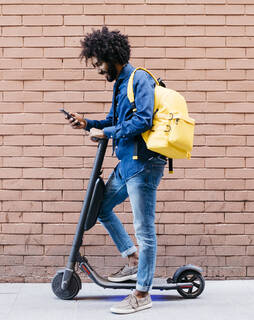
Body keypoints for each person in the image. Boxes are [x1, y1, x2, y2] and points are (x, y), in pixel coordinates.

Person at [66, 26, 166, 314]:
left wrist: (106, 132)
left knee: (145, 230)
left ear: (112, 56)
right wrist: (87, 123)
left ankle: (142, 293)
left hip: (144, 164)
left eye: (99, 63)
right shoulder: (121, 83)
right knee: (99, 209)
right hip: (126, 163)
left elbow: (143, 120)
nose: (98, 69)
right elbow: (114, 119)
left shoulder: (140, 79)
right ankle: (133, 260)